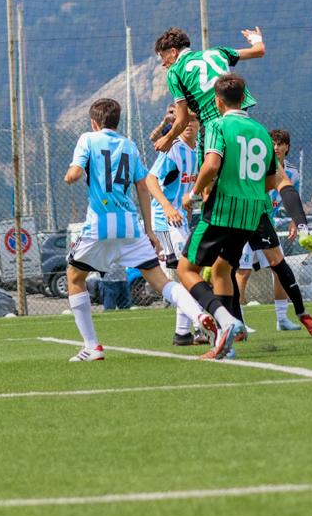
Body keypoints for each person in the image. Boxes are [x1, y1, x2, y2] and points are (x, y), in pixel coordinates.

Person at [63, 97, 216, 362]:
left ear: (94, 122)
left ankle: (92, 346)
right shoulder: (129, 145)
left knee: (74, 278)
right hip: (130, 227)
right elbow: (143, 186)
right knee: (161, 280)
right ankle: (199, 315)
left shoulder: (88, 139)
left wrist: (70, 175)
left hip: (99, 226)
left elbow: (75, 173)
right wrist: (149, 230)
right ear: (116, 121)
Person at [178, 75, 312, 360]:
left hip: (222, 210)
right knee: (221, 270)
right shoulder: (262, 132)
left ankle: (225, 320)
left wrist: (194, 193)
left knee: (185, 270)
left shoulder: (217, 125)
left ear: (218, 102)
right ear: (243, 99)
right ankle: (225, 346)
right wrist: (247, 189)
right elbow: (270, 181)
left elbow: (211, 165)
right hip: (252, 214)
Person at [232, 127, 312, 336]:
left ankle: (282, 318)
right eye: (272, 144)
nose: (276, 147)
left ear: (287, 148)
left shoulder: (292, 173)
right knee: (243, 271)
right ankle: (239, 321)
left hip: (267, 224)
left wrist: (295, 221)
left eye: (280, 144)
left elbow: (292, 196)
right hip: (246, 221)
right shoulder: (258, 165)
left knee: (279, 268)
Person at [143, 104, 206, 345]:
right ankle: (199, 327)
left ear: (199, 124)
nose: (189, 124)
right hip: (165, 220)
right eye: (185, 120)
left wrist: (187, 203)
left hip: (180, 220)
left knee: (188, 274)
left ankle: (183, 333)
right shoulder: (174, 149)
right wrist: (168, 207)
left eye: (193, 120)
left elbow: (186, 187)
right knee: (188, 272)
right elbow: (150, 180)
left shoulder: (198, 150)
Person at [152, 25, 265, 153]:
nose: (163, 63)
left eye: (163, 56)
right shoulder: (218, 52)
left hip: (213, 124)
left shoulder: (174, 72)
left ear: (173, 52)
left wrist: (167, 139)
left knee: (209, 164)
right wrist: (255, 38)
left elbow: (182, 120)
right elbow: (259, 50)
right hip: (241, 118)